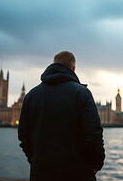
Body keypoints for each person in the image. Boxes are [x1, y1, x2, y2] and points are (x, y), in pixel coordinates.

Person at [18, 51, 105, 181]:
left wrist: (35, 161)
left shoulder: (31, 96)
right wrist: (96, 165)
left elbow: (23, 136)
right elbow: (93, 136)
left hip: (41, 173)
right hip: (78, 173)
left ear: (53, 65)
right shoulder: (82, 93)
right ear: (73, 69)